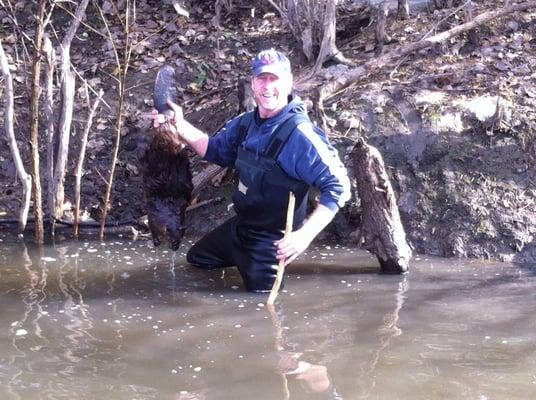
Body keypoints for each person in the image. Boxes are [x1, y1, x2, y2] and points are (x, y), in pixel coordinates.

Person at [153, 48, 351, 292]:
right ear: (253, 84)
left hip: (272, 241)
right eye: (261, 79)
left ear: (289, 83)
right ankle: (239, 263)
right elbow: (215, 150)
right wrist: (179, 126)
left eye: (274, 79)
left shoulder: (300, 135)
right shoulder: (245, 123)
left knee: (260, 307)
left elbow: (339, 186)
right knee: (197, 261)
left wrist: (302, 237)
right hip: (242, 226)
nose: (267, 86)